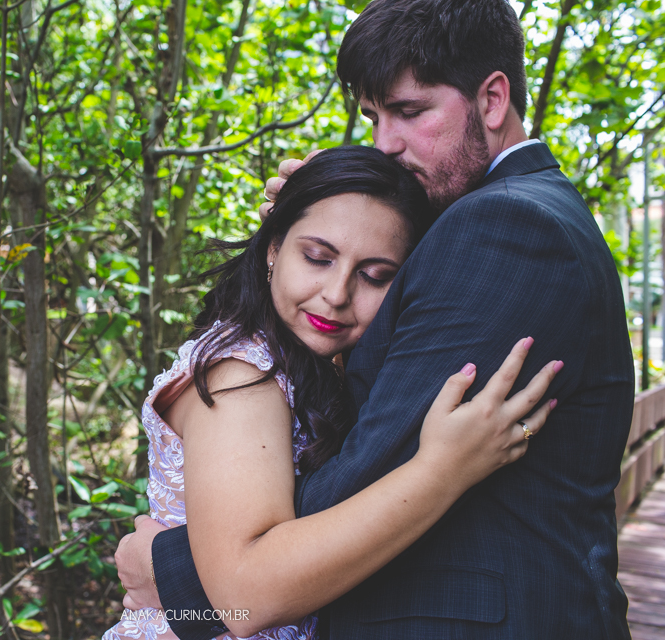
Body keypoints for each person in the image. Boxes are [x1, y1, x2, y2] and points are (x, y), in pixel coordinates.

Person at [115, 1, 634, 638]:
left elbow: (372, 467)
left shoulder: (506, 226)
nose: (384, 142)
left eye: (410, 112)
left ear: (493, 98)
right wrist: (337, 206)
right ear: (274, 247)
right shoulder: (245, 367)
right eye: (372, 116)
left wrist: (180, 570)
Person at [104, 146, 560, 640]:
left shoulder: (324, 366)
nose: (337, 293)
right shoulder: (243, 375)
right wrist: (443, 471)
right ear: (273, 247)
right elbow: (242, 599)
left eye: (375, 275)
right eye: (317, 257)